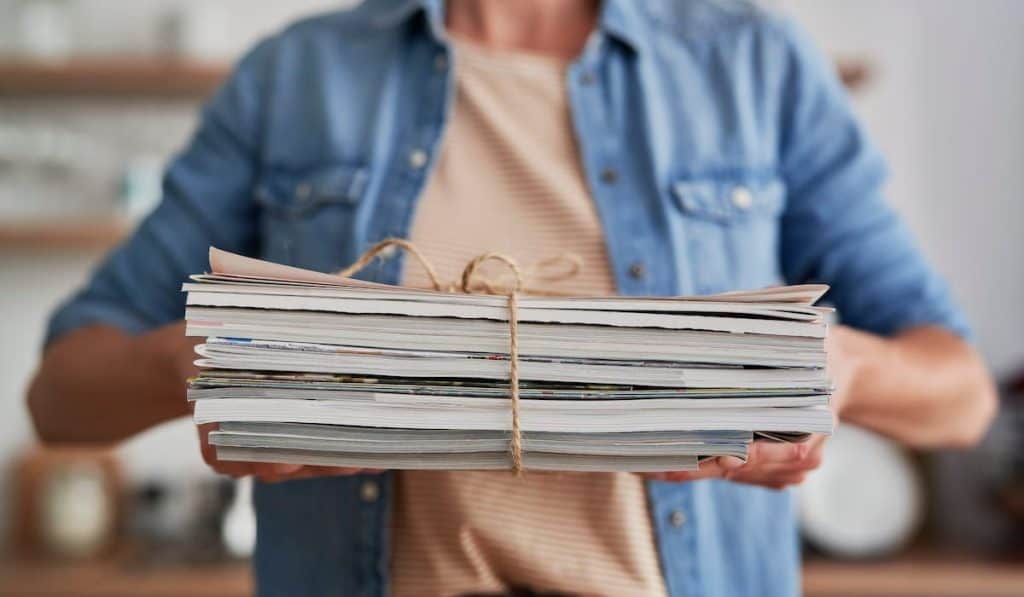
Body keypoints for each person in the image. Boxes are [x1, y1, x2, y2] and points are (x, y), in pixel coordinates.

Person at [28, 1, 996, 595]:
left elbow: (960, 397)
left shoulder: (753, 66)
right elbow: (62, 394)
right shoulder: (296, 77)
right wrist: (221, 365)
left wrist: (836, 369)